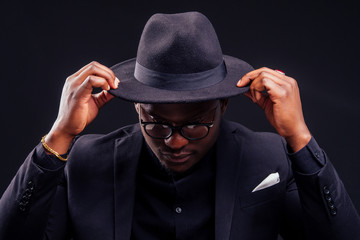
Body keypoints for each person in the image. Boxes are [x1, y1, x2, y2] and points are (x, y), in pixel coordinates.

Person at [0, 11, 359, 240]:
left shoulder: (270, 158)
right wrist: (60, 136)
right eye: (155, 124)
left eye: (194, 125)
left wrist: (299, 138)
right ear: (137, 107)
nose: (173, 142)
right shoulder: (82, 162)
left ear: (222, 106)